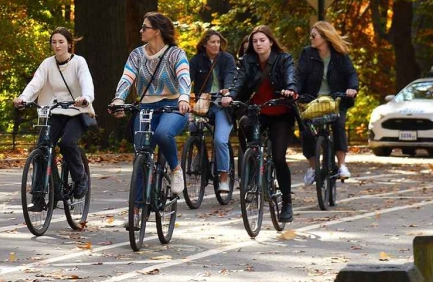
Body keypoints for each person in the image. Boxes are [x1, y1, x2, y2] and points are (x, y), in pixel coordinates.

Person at [110, 12, 192, 197]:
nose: (140, 30)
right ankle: (137, 212)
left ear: (157, 31)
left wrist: (184, 97)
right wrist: (118, 99)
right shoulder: (137, 55)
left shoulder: (175, 54)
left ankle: (176, 169)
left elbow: (184, 77)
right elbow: (126, 78)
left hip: (173, 105)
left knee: (163, 134)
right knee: (141, 155)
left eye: (144, 27)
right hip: (146, 107)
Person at [222, 24, 298, 223]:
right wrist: (230, 95)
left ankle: (287, 202)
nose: (258, 44)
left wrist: (290, 89)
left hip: (280, 112)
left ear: (271, 42)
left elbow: (291, 76)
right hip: (257, 111)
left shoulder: (284, 59)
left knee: (280, 158)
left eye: (262, 40)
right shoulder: (247, 60)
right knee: (246, 125)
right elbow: (238, 81)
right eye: (255, 41)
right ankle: (253, 166)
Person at [14, 27, 94, 202]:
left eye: (61, 42)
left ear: (69, 44)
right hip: (55, 112)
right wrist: (23, 98)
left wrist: (85, 97)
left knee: (67, 143)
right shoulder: (47, 63)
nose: (57, 46)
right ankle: (41, 196)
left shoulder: (79, 62)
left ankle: (81, 179)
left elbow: (86, 81)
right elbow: (36, 83)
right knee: (42, 148)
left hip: (76, 112)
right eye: (54, 42)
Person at [297, 21, 360, 182]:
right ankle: (312, 167)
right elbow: (299, 75)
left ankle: (341, 165)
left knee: (338, 125)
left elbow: (351, 74)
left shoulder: (340, 54)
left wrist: (352, 88)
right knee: (306, 131)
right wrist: (294, 91)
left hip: (336, 100)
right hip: (313, 101)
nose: (310, 38)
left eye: (313, 35)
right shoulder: (307, 53)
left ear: (325, 36)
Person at [189, 28, 238, 192]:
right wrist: (183, 96)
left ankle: (224, 177)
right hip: (203, 104)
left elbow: (231, 74)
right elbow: (187, 79)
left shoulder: (227, 59)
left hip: (222, 105)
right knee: (193, 127)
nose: (216, 45)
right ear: (204, 44)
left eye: (218, 42)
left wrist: (227, 90)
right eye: (213, 42)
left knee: (219, 140)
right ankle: (198, 156)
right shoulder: (196, 60)